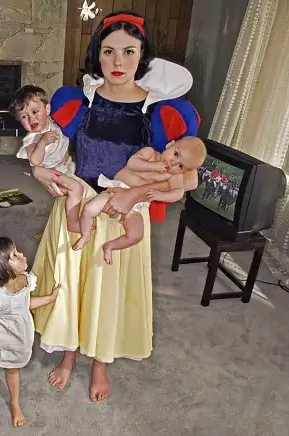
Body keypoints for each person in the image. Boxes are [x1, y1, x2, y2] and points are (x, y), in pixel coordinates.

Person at [27, 11, 198, 402]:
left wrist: (133, 195)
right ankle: (69, 354)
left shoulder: (159, 112)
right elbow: (52, 146)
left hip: (122, 215)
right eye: (108, 51)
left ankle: (100, 363)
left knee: (105, 290)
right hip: (76, 205)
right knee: (69, 283)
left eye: (128, 51)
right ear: (97, 54)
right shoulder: (79, 101)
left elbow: (186, 179)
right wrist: (38, 169)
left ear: (143, 55)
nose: (118, 61)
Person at [0, 237, 60, 427]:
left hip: (17, 339)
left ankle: (15, 403)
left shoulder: (25, 280)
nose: (22, 254)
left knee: (12, 371)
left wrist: (49, 298)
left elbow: (24, 305)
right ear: (3, 269)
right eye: (14, 255)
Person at [73, 136, 207, 261]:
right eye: (175, 154)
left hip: (137, 206)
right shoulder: (150, 153)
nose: (173, 163)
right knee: (90, 208)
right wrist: (154, 166)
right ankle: (85, 235)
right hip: (116, 189)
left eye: (180, 166)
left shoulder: (173, 176)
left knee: (136, 235)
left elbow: (178, 193)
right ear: (170, 145)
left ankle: (110, 246)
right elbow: (132, 163)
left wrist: (161, 196)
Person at [11, 85, 86, 234]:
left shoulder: (51, 122)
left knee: (78, 195)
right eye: (24, 117)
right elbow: (35, 161)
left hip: (67, 167)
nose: (31, 119)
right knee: (77, 189)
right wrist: (42, 142)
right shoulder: (32, 139)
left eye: (35, 111)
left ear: (47, 109)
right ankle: (73, 223)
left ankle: (67, 220)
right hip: (54, 175)